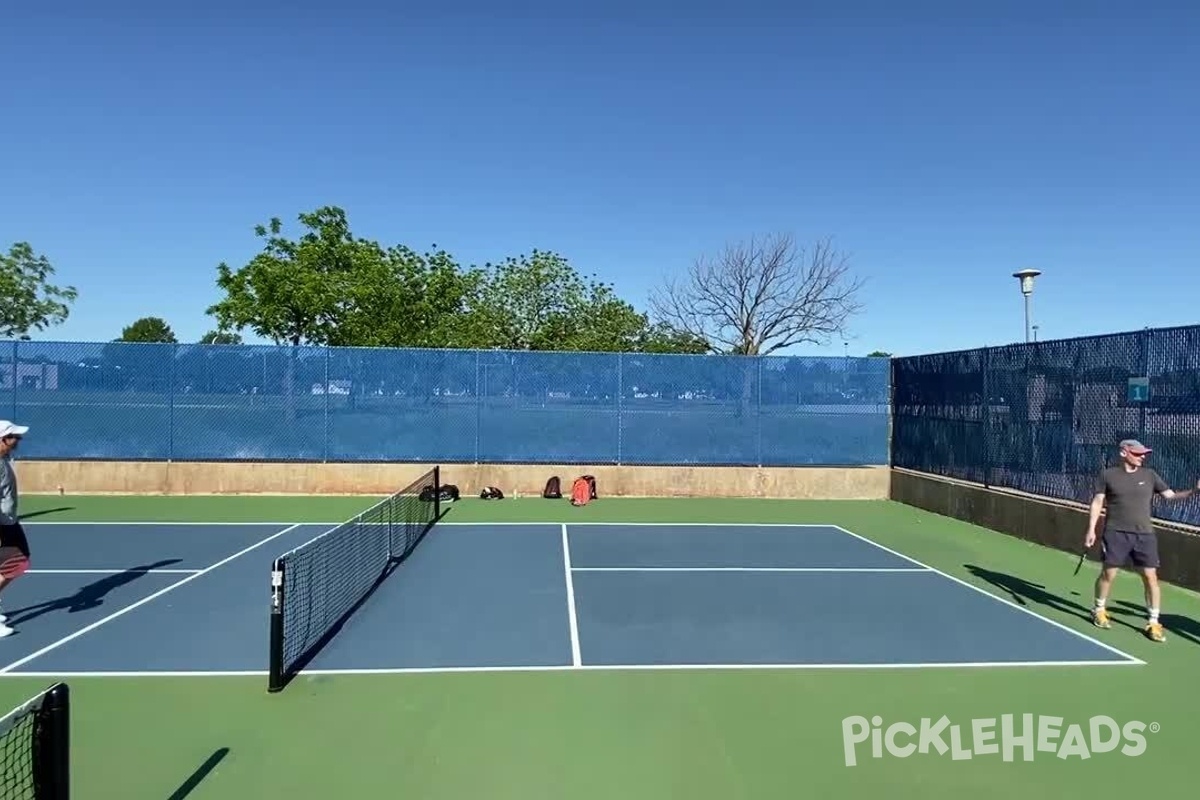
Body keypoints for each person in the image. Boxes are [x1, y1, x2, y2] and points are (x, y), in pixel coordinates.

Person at [1085, 438, 1199, 642]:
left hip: (1144, 535)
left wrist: (1194, 491)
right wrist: (1091, 529)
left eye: (1144, 453)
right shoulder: (1108, 475)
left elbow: (1170, 496)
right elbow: (1097, 502)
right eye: (1137, 453)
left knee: (1151, 577)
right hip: (1115, 532)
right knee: (1108, 574)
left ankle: (1154, 622)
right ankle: (1099, 609)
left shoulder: (1150, 475)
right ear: (1123, 453)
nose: (1142, 456)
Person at [0, 420, 30, 638]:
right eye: (14, 438)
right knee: (18, 562)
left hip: (9, 520)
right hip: (2, 523)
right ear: (2, 439)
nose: (18, 441)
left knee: (16, 562)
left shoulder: (3, 459)